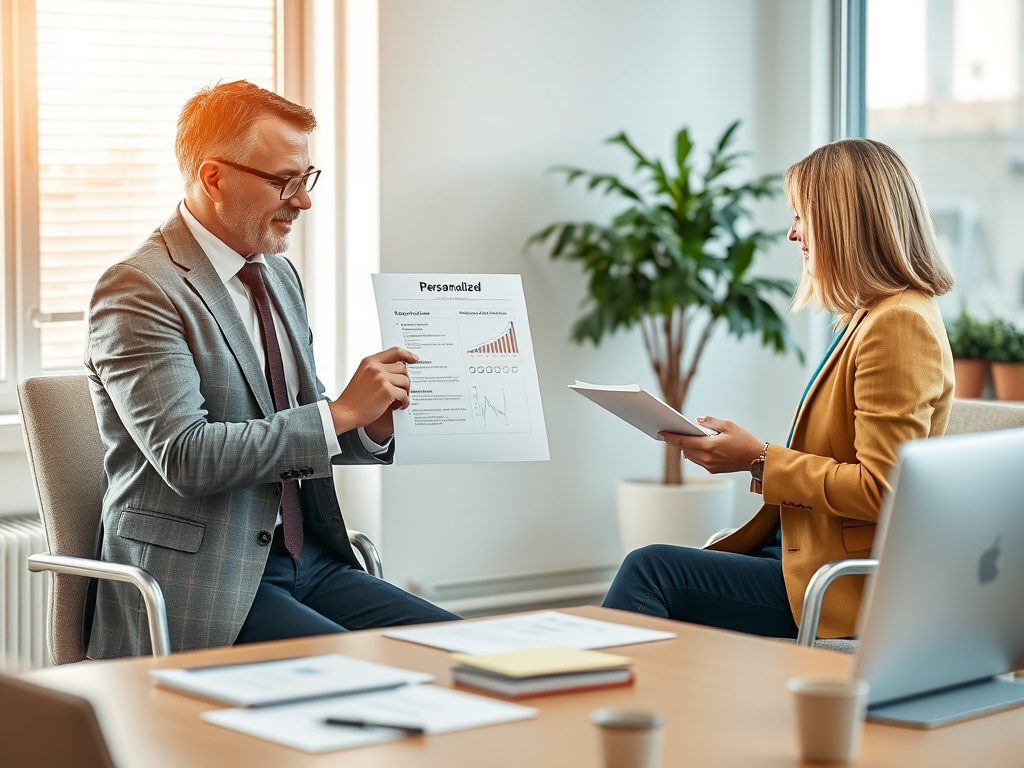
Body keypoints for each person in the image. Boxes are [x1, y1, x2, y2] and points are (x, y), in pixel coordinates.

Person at [84, 80, 459, 659]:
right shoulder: (139, 289)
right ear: (214, 177)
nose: (303, 201)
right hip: (206, 579)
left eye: (306, 180)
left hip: (310, 562)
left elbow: (301, 433)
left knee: (462, 650)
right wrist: (337, 414)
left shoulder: (278, 276)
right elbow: (187, 456)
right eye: (285, 181)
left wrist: (369, 427)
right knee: (370, 675)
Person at [602, 138, 955, 640]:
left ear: (844, 222)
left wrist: (759, 460)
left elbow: (881, 489)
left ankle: (593, 698)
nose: (792, 234)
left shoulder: (898, 324)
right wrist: (751, 454)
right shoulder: (870, 313)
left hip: (837, 584)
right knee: (654, 572)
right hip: (799, 552)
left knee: (651, 571)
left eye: (802, 216)